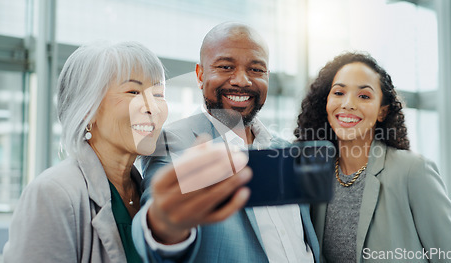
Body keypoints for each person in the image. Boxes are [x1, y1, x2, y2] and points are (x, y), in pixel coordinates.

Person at [132, 22, 320, 262]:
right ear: (200, 75)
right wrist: (163, 225)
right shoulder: (173, 145)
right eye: (225, 67)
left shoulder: (286, 150)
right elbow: (156, 225)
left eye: (256, 70)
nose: (242, 80)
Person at [3, 41, 169, 262]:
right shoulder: (53, 193)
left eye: (157, 93)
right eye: (133, 91)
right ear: (88, 109)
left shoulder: (149, 192)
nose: (153, 107)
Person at [294, 52, 451, 262]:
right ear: (326, 102)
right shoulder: (317, 175)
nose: (348, 104)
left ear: (382, 112)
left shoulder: (413, 171)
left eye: (364, 96)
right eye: (339, 92)